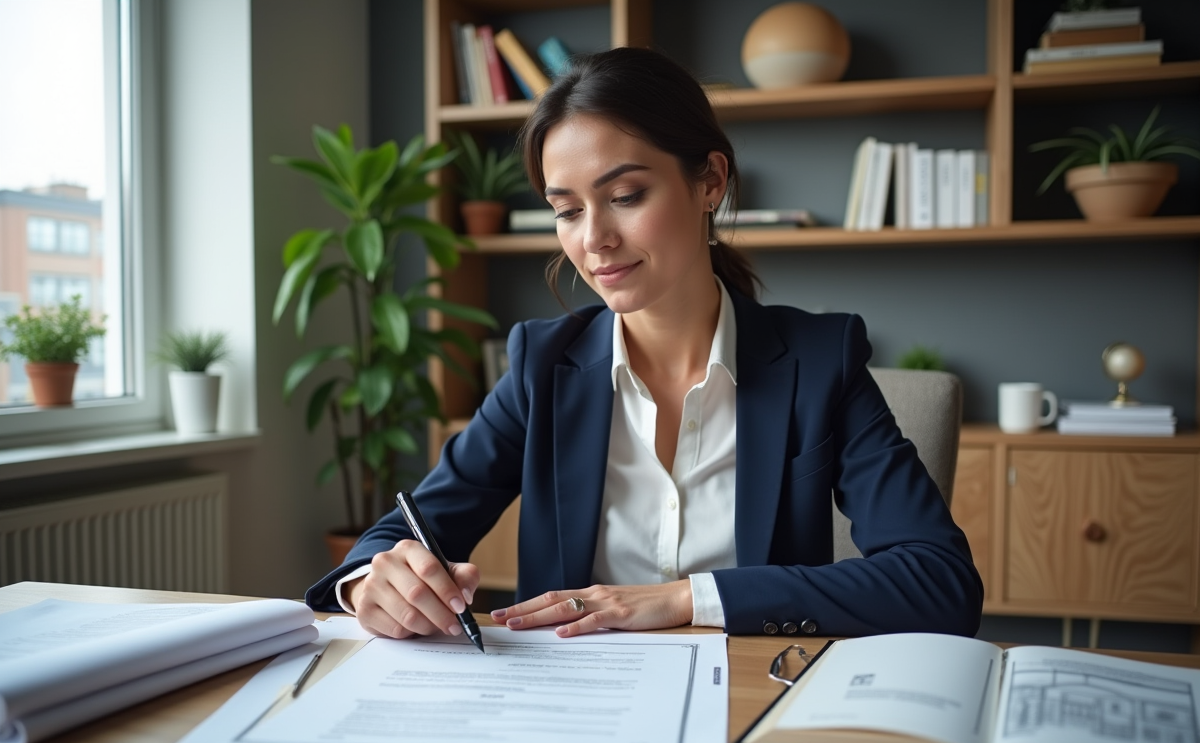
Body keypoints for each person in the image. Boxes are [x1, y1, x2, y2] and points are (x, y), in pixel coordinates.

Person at [305, 47, 983, 641]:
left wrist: (684, 600)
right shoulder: (543, 368)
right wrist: (372, 583)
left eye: (625, 195)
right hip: (576, 712)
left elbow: (939, 581)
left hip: (745, 702)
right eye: (566, 210)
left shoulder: (818, 361)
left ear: (710, 182)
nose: (592, 239)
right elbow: (400, 538)